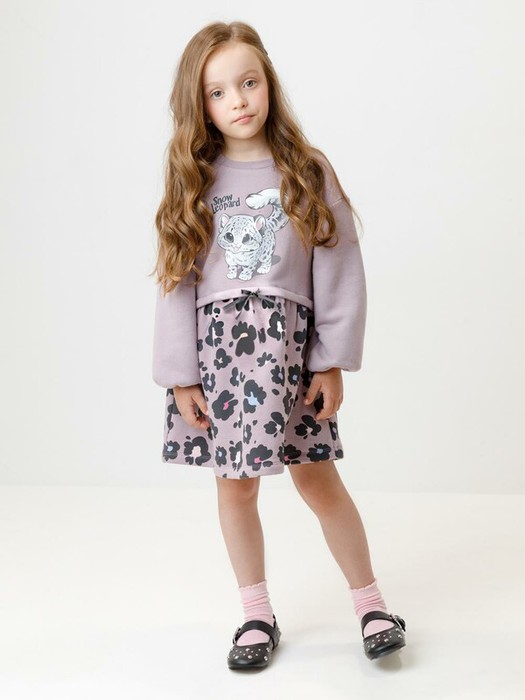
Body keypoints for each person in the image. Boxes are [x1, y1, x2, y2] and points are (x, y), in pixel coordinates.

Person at [150, 20, 406, 670]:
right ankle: (256, 615)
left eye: (248, 82)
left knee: (318, 481)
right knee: (235, 488)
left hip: (290, 357)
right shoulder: (195, 180)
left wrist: (330, 359)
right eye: (217, 92)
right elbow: (175, 280)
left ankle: (371, 604)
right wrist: (181, 375)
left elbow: (339, 266)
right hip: (221, 362)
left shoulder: (305, 170)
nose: (237, 101)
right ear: (199, 105)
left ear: (268, 83)